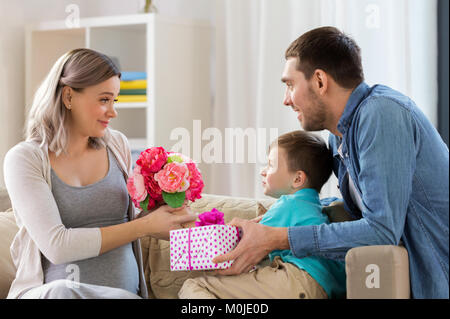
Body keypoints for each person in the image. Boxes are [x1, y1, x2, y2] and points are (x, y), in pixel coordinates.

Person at [212, 26, 449, 299]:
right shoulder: (338, 136)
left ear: (320, 82)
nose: (286, 99)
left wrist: (279, 236)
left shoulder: (381, 114)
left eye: (290, 84)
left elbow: (381, 230)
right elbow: (362, 214)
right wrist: (285, 215)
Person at [3, 48, 197, 299]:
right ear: (69, 97)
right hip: (53, 294)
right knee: (63, 290)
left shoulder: (117, 145)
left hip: (122, 295)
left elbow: (131, 218)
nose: (113, 112)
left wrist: (168, 216)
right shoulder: (25, 158)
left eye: (114, 101)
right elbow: (57, 246)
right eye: (104, 100)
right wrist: (145, 225)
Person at [179, 130, 346, 299]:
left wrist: (191, 237)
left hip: (297, 280)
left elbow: (243, 242)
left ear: (297, 179)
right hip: (324, 287)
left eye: (271, 165)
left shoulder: (288, 205)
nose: (263, 171)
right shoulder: (313, 207)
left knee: (195, 285)